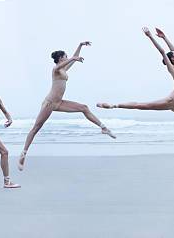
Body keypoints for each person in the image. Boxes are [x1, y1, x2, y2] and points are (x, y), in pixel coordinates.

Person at [18, 41, 115, 171]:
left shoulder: (64, 69)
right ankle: (23, 153)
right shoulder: (56, 70)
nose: (68, 57)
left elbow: (73, 60)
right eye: (66, 56)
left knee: (84, 108)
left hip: (59, 102)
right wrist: (73, 58)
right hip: (49, 103)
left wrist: (80, 46)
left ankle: (103, 128)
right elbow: (61, 66)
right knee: (36, 128)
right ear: (60, 58)